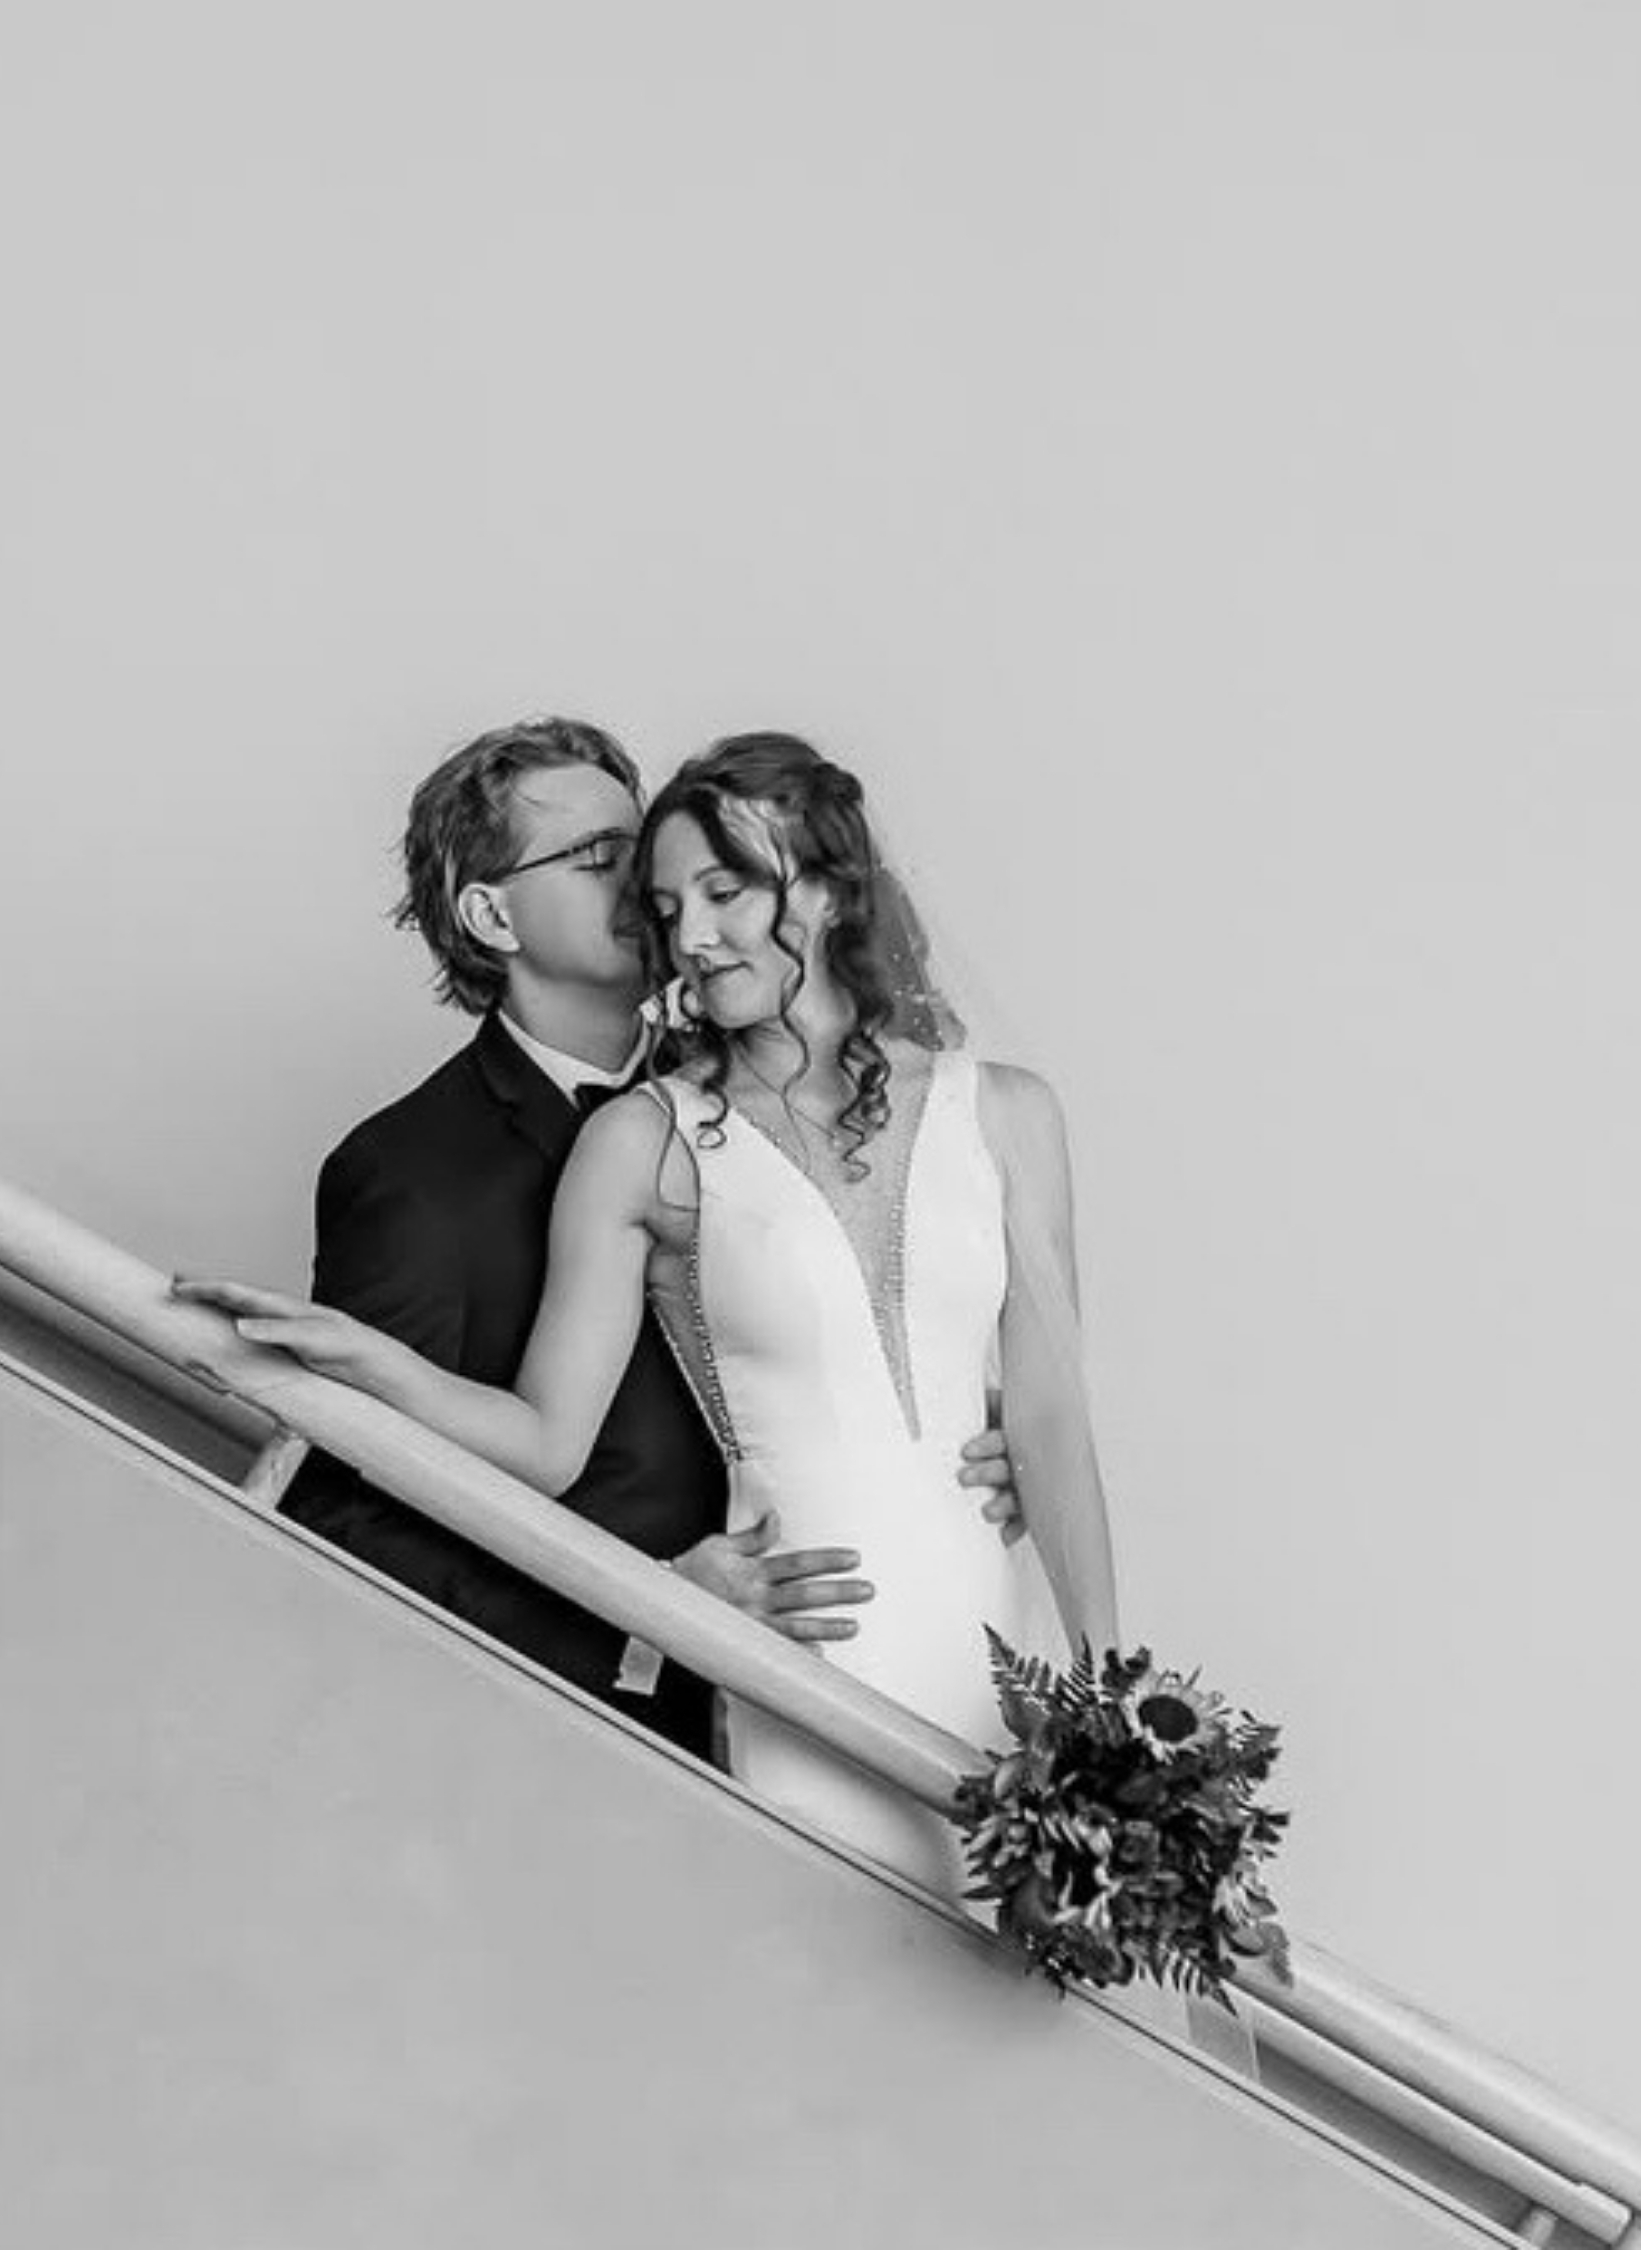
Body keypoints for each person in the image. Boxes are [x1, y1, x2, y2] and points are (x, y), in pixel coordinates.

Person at [184, 731, 1115, 1898]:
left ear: (827, 889)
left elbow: (1022, 1394)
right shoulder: (436, 1171)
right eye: (612, 867)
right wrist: (655, 1601)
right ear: (490, 915)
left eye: (689, 881)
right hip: (694, 1696)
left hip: (983, 1622)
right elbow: (386, 1518)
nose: (662, 913)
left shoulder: (979, 1108)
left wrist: (1006, 1458)